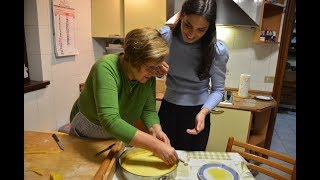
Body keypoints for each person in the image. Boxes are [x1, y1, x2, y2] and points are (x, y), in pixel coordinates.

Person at [69, 27, 177, 165]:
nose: (154, 71)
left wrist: (155, 129)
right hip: (88, 131)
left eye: (156, 66)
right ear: (134, 60)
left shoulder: (148, 74)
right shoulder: (106, 67)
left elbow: (148, 110)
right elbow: (110, 120)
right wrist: (155, 145)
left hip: (117, 133)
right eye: (150, 67)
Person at [158, 0, 229, 151]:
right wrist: (157, 71)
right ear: (181, 16)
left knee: (191, 165)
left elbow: (218, 90)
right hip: (168, 109)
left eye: (201, 30)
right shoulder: (165, 37)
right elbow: (155, 70)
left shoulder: (216, 50)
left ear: (209, 27)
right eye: (188, 25)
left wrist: (203, 112)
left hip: (197, 113)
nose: (191, 34)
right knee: (162, 159)